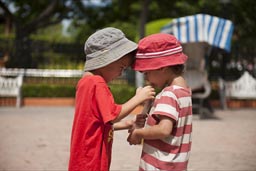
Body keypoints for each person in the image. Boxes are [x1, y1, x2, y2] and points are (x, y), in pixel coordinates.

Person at [68, 27, 155, 171]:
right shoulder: (97, 83)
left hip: (82, 158)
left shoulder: (85, 82)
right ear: (108, 60)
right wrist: (139, 98)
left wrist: (127, 123)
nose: (121, 73)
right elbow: (113, 115)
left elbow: (95, 124)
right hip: (92, 160)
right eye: (121, 67)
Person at [127, 33, 193, 171]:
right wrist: (147, 105)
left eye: (147, 73)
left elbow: (164, 129)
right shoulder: (184, 92)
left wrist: (138, 133)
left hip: (159, 166)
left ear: (162, 68)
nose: (146, 78)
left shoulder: (169, 94)